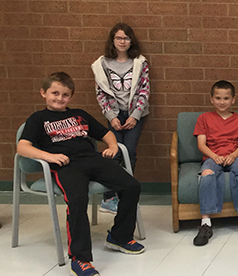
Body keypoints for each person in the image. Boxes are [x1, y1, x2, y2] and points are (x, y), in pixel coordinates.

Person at [17, 72, 144, 276]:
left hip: (92, 159)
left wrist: (112, 146)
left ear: (71, 96)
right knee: (77, 200)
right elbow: (22, 147)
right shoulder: (38, 119)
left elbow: (106, 133)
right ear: (43, 93)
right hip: (66, 165)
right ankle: (80, 259)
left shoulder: (79, 114)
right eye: (55, 93)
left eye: (65, 94)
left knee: (132, 186)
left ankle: (119, 236)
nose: (60, 98)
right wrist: (49, 156)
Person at [192, 80, 238, 246]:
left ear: (233, 100)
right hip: (212, 156)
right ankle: (205, 223)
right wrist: (215, 156)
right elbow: (201, 144)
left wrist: (233, 155)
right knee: (206, 174)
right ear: (211, 99)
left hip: (235, 155)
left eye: (226, 98)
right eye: (218, 98)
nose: (222, 102)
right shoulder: (204, 118)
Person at [92, 22, 151, 215]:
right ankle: (109, 196)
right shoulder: (101, 64)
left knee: (130, 152)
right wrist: (111, 116)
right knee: (114, 152)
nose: (122, 41)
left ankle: (126, 191)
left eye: (126, 38)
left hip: (135, 113)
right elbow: (100, 92)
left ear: (131, 40)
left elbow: (144, 90)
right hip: (114, 114)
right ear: (113, 40)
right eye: (118, 38)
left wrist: (135, 116)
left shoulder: (140, 62)